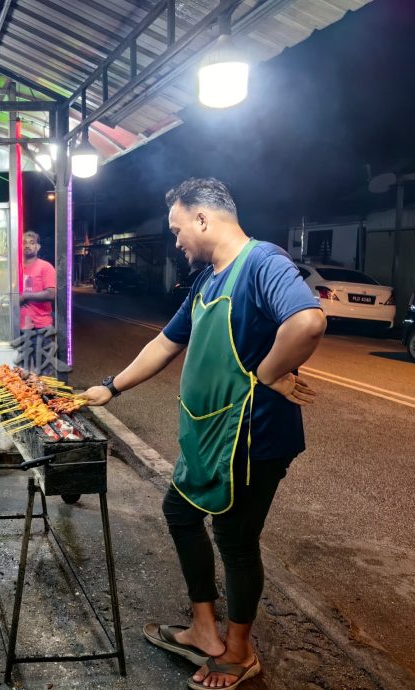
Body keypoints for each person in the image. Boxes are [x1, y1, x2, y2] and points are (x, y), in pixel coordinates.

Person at [81, 178, 326, 690]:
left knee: (236, 541)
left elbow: (306, 323)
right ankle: (202, 628)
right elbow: (166, 343)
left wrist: (267, 372)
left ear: (201, 218)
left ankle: (238, 654)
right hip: (208, 433)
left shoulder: (262, 262)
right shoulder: (207, 281)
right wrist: (110, 388)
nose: (176, 242)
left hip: (251, 437)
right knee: (180, 513)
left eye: (176, 230)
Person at [20, 231, 56, 330]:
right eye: (24, 243)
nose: (27, 245)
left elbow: (51, 294)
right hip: (17, 326)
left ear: (38, 247)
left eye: (32, 243)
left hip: (40, 327)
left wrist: (25, 296)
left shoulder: (45, 267)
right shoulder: (16, 268)